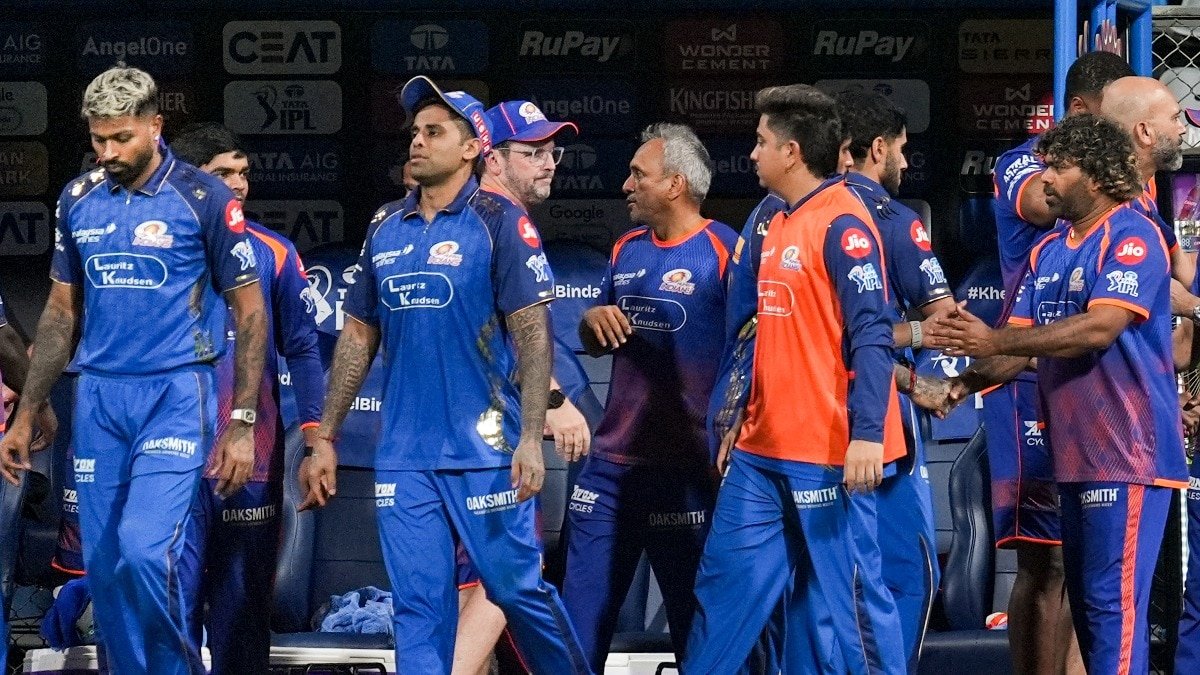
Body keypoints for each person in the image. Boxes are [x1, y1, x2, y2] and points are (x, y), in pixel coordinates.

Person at [307, 75, 589, 674]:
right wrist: (325, 436)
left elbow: (533, 334)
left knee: (516, 589)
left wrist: (530, 437)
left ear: (470, 148)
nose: (417, 141)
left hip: (485, 451)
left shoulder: (499, 221)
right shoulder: (385, 224)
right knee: (418, 606)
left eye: (434, 132)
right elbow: (357, 336)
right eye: (415, 131)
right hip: (404, 456)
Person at [0, 65, 266, 674]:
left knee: (145, 552)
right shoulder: (78, 198)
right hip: (97, 398)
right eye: (99, 139)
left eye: (122, 137)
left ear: (155, 125)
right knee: (106, 568)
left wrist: (243, 420)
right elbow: (60, 313)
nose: (109, 152)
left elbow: (251, 313)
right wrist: (27, 410)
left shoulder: (204, 197)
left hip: (176, 393)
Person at [926, 113, 1187, 675]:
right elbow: (1020, 345)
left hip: (1129, 454)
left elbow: (1100, 328)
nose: (1044, 177)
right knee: (1089, 614)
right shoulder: (1048, 250)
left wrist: (994, 338)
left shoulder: (1132, 234)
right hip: (1073, 457)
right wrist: (961, 384)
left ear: (1094, 174)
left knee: (1111, 613)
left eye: (1057, 167)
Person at [683, 84, 905, 674]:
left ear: (792, 151)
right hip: (761, 453)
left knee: (855, 606)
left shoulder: (844, 224)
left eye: (761, 142)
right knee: (720, 598)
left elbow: (873, 336)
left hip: (826, 452)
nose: (752, 153)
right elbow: (761, 339)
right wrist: (737, 413)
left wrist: (866, 435)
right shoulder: (779, 220)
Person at [563, 122, 735, 672]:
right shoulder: (626, 248)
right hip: (610, 469)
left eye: (639, 174)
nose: (625, 185)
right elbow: (597, 340)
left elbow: (754, 351)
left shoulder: (726, 251)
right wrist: (591, 320)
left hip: (686, 471)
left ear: (675, 184)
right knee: (578, 628)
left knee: (696, 634)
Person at [985, 51, 1133, 674]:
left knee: (1082, 560)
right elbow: (1046, 202)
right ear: (1079, 110)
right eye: (1114, 114)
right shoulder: (1029, 163)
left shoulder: (1130, 196)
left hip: (1094, 384)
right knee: (1043, 560)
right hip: (1026, 376)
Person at [170, 122, 326, 674]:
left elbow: (303, 350)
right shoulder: (157, 250)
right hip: (169, 463)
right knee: (169, 614)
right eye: (223, 174)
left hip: (251, 459)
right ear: (188, 180)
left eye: (243, 172)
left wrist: (316, 439)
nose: (239, 185)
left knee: (241, 620)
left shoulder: (273, 252)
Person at [449, 99, 584, 675]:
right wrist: (554, 402)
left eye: (552, 151)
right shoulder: (505, 220)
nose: (548, 162)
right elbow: (515, 336)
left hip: (444, 435)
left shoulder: (453, 215)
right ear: (493, 158)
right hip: (489, 437)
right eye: (532, 152)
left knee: (472, 582)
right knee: (504, 578)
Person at [837, 88, 955, 672]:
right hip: (880, 428)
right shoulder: (891, 220)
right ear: (877, 148)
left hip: (801, 425)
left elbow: (818, 338)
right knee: (907, 572)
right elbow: (945, 322)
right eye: (902, 150)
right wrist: (917, 355)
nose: (905, 163)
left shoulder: (779, 217)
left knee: (826, 576)